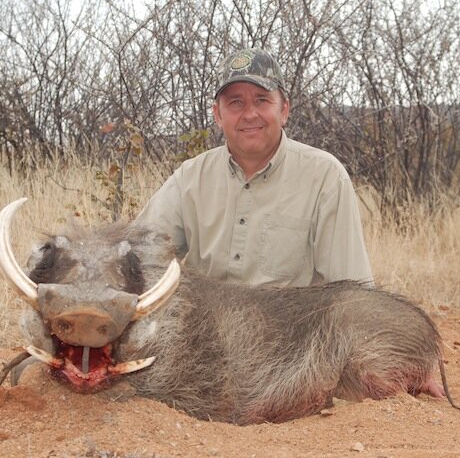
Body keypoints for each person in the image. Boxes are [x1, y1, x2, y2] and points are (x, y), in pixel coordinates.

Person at [135, 48, 373, 286]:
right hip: (205, 321)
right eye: (235, 103)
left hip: (291, 323)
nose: (249, 114)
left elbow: (353, 293)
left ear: (284, 110)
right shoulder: (189, 177)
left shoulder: (326, 177)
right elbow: (138, 258)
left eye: (262, 100)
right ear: (217, 115)